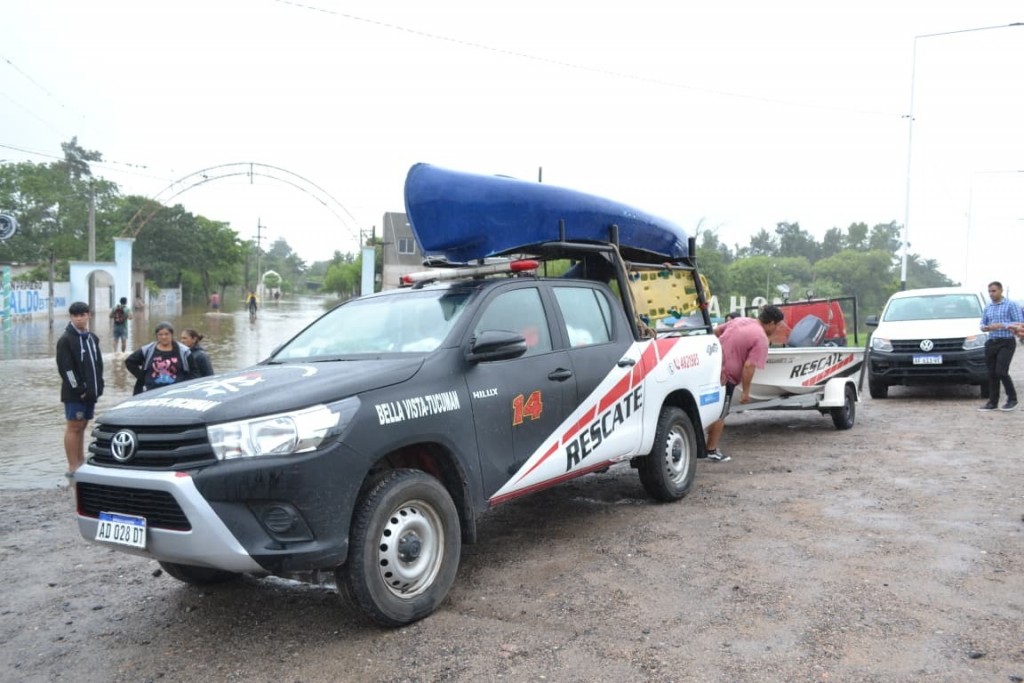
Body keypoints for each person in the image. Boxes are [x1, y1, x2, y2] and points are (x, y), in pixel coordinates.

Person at [704, 304, 786, 462]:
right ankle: (711, 450)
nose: (777, 329)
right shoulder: (761, 338)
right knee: (720, 413)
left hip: (710, 369)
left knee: (708, 408)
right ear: (770, 323)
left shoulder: (740, 320)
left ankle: (702, 447)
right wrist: (746, 392)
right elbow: (749, 366)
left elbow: (715, 332)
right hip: (725, 376)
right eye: (777, 325)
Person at [56, 301, 104, 476]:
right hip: (75, 393)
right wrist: (80, 389)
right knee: (73, 426)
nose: (79, 318)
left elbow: (97, 363)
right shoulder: (66, 340)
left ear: (88, 315)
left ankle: (81, 459)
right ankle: (72, 466)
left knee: (83, 425)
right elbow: (66, 369)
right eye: (76, 315)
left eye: (82, 315)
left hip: (91, 391)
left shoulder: (92, 338)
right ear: (71, 317)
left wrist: (99, 385)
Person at [978, 281, 1023, 412]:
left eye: (994, 291)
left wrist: (1002, 325)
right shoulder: (988, 307)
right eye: (990, 291)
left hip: (1006, 341)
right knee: (992, 373)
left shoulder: (1011, 305)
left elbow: (1020, 323)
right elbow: (982, 323)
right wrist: (985, 327)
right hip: (992, 341)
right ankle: (992, 402)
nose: (992, 294)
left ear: (1001, 290)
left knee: (1001, 371)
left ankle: (1012, 399)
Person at [125, 322, 194, 395]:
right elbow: (130, 362)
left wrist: (186, 386)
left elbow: (194, 372)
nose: (163, 337)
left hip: (176, 392)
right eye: (160, 334)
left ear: (172, 335)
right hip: (151, 391)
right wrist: (142, 377)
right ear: (157, 336)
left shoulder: (184, 351)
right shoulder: (148, 350)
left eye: (166, 334)